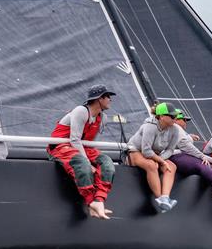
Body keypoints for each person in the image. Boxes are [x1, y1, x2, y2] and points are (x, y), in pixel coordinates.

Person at [48, 85, 116, 219]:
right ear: (98, 99)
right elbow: (74, 139)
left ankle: (99, 200)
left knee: (107, 163)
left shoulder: (103, 118)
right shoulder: (81, 111)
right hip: (61, 146)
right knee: (82, 164)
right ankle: (91, 202)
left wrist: (90, 159)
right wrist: (89, 163)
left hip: (81, 147)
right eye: (107, 96)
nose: (110, 99)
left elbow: (85, 142)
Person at [126, 102, 181, 213]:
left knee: (172, 166)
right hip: (136, 151)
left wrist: (161, 160)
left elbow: (170, 150)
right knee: (151, 165)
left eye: (175, 116)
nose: (175, 118)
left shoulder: (175, 130)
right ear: (161, 117)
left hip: (154, 154)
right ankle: (160, 199)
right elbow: (146, 151)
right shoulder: (150, 127)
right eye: (172, 116)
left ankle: (165, 197)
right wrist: (160, 160)